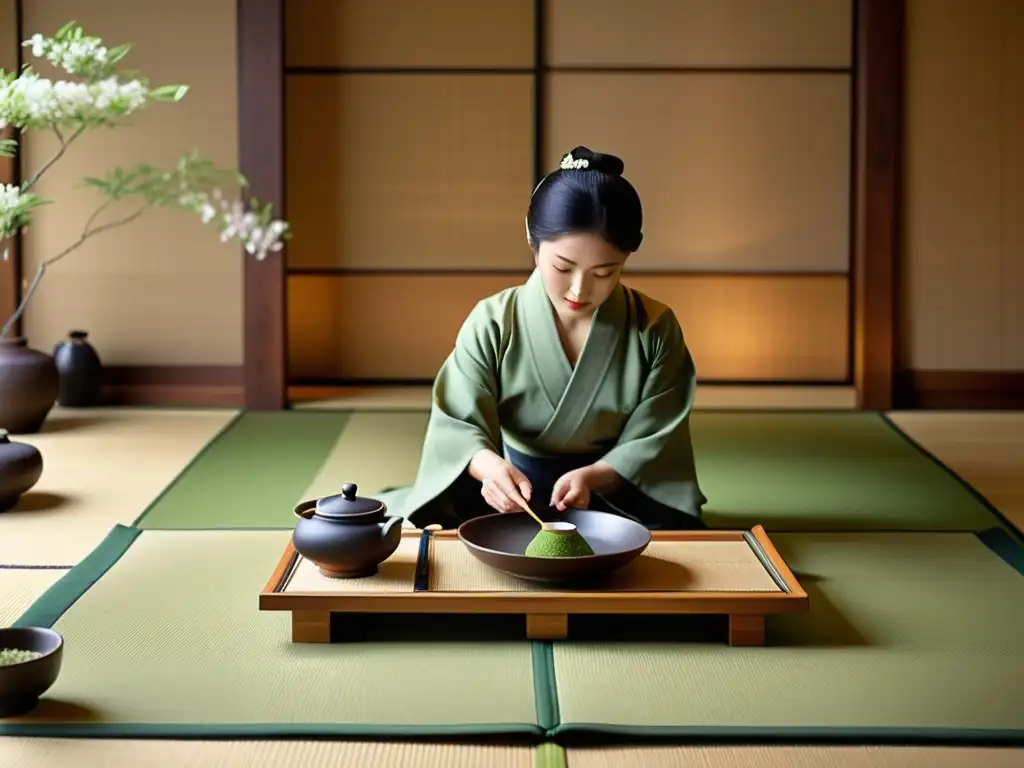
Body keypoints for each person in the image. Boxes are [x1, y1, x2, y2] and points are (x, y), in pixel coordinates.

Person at [398, 146, 707, 531]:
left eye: (605, 272)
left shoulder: (654, 327)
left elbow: (658, 435)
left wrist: (594, 477)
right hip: (510, 495)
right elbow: (457, 424)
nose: (580, 289)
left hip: (615, 494)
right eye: (563, 266)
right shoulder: (494, 321)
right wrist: (490, 468)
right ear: (532, 240)